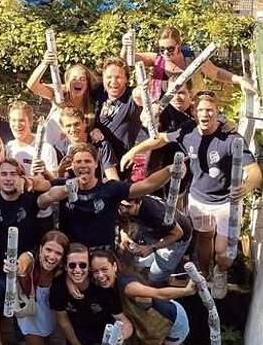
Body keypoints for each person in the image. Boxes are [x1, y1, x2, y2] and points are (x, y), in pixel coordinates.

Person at [121, 92, 261, 297]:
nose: (205, 114)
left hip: (226, 203)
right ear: (194, 112)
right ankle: (204, 274)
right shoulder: (187, 131)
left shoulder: (231, 138)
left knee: (223, 253)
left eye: (209, 110)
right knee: (204, 237)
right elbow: (160, 139)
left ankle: (220, 271)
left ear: (217, 111)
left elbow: (254, 171)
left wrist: (246, 187)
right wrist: (133, 151)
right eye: (201, 110)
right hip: (199, 199)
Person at [38, 143, 184, 249]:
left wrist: (169, 170)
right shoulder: (62, 185)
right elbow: (41, 195)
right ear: (73, 165)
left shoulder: (110, 188)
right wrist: (60, 188)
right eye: (78, 162)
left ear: (96, 164)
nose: (83, 165)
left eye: (87, 161)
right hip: (72, 255)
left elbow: (147, 185)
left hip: (102, 255)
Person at [0, 158, 52, 313]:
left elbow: (50, 191)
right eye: (4, 174)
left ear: (20, 177)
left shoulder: (30, 199)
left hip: (24, 272)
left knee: (23, 319)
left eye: (13, 174)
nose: (8, 178)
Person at [11, 230, 69, 345]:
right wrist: (16, 267)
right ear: (41, 249)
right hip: (31, 313)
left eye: (58, 253)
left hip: (52, 313)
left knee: (47, 344)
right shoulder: (31, 260)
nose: (51, 256)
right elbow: (22, 262)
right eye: (48, 250)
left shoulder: (64, 271)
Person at [123, 26, 256, 98]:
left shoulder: (193, 57)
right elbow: (128, 59)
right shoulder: (157, 59)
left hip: (194, 107)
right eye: (162, 48)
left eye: (170, 48)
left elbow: (216, 73)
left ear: (179, 44)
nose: (165, 53)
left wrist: (240, 79)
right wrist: (126, 45)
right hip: (168, 111)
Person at [27, 51, 97, 151]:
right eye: (74, 79)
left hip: (74, 152)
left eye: (82, 79)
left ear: (87, 84)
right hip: (49, 148)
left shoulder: (92, 103)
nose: (78, 82)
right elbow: (32, 86)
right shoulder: (59, 94)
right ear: (67, 83)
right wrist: (44, 63)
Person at [118, 195, 193, 284]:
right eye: (121, 205)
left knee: (156, 275)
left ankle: (161, 278)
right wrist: (124, 234)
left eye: (128, 207)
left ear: (138, 202)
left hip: (176, 238)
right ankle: (150, 258)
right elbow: (123, 222)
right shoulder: (125, 207)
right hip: (155, 230)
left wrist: (151, 248)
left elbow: (178, 234)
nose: (123, 210)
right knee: (137, 252)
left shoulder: (155, 213)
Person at [94, 57, 142, 165]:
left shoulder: (131, 97)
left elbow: (139, 95)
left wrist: (143, 90)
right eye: (109, 77)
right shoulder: (99, 94)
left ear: (126, 79)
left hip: (123, 163)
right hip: (98, 163)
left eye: (118, 77)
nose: (113, 81)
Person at [57, 107, 118, 180]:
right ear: (62, 129)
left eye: (77, 124)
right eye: (68, 126)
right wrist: (60, 173)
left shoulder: (101, 145)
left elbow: (113, 178)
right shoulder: (60, 149)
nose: (73, 129)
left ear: (84, 123)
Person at [6, 100, 58, 179]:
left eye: (21, 120)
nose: (17, 124)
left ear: (30, 122)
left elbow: (55, 181)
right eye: (13, 120)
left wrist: (45, 172)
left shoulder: (46, 149)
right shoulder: (8, 147)